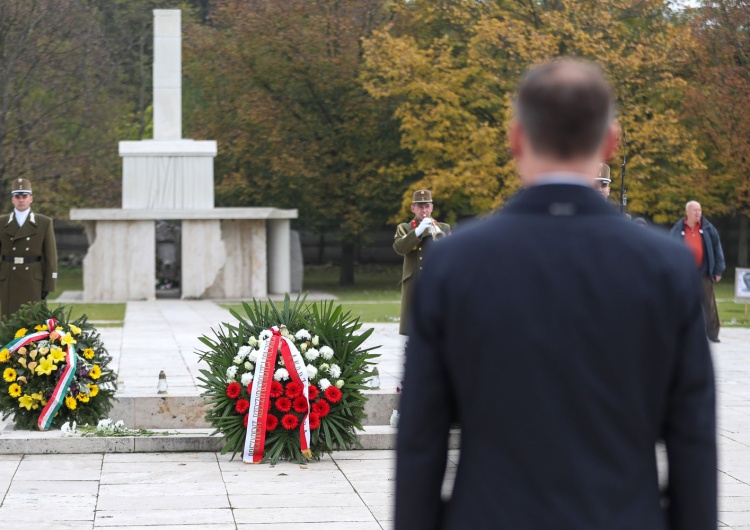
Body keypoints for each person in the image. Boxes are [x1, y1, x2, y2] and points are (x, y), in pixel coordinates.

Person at [395, 60, 716, 529]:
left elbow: (422, 439)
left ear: (516, 139)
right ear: (610, 140)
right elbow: (692, 439)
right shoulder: (665, 266)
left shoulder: (455, 263)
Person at [393, 190, 450, 335]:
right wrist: (418, 231)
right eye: (420, 207)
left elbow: (449, 253)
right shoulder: (404, 228)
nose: (424, 210)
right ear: (413, 208)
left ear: (432, 208)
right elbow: (400, 248)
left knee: (437, 321)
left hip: (435, 280)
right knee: (412, 323)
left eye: (427, 206)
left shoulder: (443, 228)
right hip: (414, 280)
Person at [0, 179, 58, 318]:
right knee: (9, 320)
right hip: (8, 278)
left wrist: (49, 285)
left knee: (33, 320)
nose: (21, 200)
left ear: (31, 198)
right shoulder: (2, 223)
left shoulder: (44, 222)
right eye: (17, 196)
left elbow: (51, 257)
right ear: (12, 199)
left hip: (33, 279)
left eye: (24, 196)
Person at [670, 201, 725, 343]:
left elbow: (717, 248)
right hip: (684, 273)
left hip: (704, 272)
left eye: (699, 210)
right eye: (694, 210)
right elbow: (670, 249)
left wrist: (718, 270)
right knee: (682, 303)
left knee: (709, 304)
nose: (698, 213)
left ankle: (712, 334)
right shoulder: (677, 228)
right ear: (687, 212)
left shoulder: (708, 228)